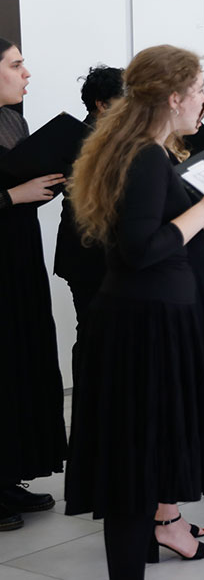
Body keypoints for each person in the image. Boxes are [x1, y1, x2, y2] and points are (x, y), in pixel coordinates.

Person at [66, 45, 204, 575]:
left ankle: (147, 546)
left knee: (141, 466)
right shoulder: (143, 156)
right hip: (145, 328)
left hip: (146, 318)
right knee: (134, 470)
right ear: (173, 97)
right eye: (197, 92)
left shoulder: (140, 148)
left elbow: (167, 234)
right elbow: (140, 250)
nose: (202, 104)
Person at [0, 38, 68, 533]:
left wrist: (43, 189)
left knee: (20, 364)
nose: (27, 74)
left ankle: (8, 476)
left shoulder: (13, 120)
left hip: (18, 257)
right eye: (16, 64)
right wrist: (12, 194)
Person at [55, 65, 124, 384]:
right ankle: (91, 406)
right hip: (85, 253)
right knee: (93, 331)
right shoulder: (74, 139)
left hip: (115, 251)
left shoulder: (119, 139)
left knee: (116, 334)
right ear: (101, 104)